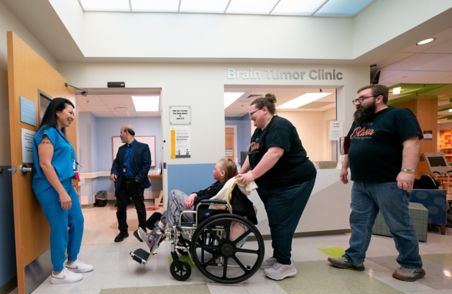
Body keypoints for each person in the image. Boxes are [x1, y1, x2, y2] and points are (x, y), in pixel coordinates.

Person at [327, 84, 425, 282]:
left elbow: (412, 142)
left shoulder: (398, 115)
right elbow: (350, 145)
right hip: (361, 182)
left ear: (379, 98)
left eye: (362, 98)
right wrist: (345, 167)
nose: (358, 103)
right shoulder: (361, 120)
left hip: (388, 181)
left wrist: (407, 171)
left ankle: (412, 264)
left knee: (398, 224)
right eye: (357, 100)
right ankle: (354, 258)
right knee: (359, 222)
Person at [236, 93, 317, 281]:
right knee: (275, 220)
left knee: (282, 222)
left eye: (252, 113)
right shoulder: (259, 130)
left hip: (293, 183)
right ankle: (278, 257)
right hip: (273, 185)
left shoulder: (279, 126)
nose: (251, 118)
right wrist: (242, 171)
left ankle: (285, 264)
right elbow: (252, 153)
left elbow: (274, 153)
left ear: (265, 110)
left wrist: (252, 175)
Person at [32, 97, 93, 284]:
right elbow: (45, 164)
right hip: (50, 187)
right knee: (59, 226)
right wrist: (61, 192)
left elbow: (68, 160)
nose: (72, 117)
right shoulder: (47, 133)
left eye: (73, 113)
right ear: (57, 112)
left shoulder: (60, 135)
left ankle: (72, 260)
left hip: (65, 185)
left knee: (78, 220)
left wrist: (72, 181)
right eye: (70, 112)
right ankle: (58, 272)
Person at [137, 158, 239, 250]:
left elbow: (206, 198)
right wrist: (194, 194)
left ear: (222, 173)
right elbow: (204, 192)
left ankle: (170, 227)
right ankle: (152, 240)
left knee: (174, 193)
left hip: (200, 214)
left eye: (215, 169)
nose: (213, 170)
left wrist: (195, 198)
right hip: (200, 211)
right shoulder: (218, 184)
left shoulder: (220, 186)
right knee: (168, 212)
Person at [111, 126, 151, 242]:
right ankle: (123, 232)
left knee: (140, 208)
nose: (120, 135)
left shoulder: (143, 147)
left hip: (136, 182)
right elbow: (116, 163)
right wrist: (113, 171)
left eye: (121, 132)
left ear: (127, 132)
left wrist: (138, 179)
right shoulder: (121, 149)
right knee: (121, 209)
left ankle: (142, 231)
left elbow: (146, 164)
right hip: (122, 182)